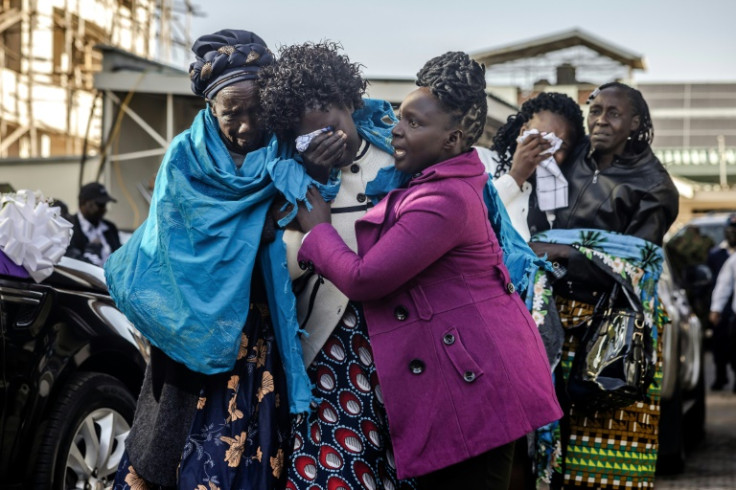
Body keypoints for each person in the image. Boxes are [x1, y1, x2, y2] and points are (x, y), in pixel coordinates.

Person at [293, 50, 562, 489]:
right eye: (400, 117)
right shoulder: (430, 183)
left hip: (481, 393)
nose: (395, 130)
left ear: (453, 140)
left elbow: (366, 278)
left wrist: (318, 230)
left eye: (414, 124)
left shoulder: (445, 201)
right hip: (466, 385)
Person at [107, 29, 312, 490]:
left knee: (241, 463)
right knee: (167, 459)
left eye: (255, 110)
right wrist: (257, 230)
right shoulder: (184, 157)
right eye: (230, 114)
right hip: (189, 335)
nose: (244, 125)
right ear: (210, 110)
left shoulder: (287, 152)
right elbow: (172, 249)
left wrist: (270, 230)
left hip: (256, 338)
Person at [257, 41, 418, 490]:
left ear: (350, 101)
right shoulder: (288, 180)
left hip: (401, 347)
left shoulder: (399, 165)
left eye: (332, 124)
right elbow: (277, 269)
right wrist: (313, 196)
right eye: (309, 138)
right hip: (330, 354)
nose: (328, 143)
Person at [526, 81, 679, 489]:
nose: (601, 120)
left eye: (614, 113)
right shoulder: (570, 159)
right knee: (556, 456)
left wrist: (563, 253)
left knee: (608, 466)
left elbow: (635, 266)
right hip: (557, 325)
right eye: (595, 111)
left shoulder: (655, 186)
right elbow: (537, 224)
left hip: (615, 331)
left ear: (635, 123)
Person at [476, 92, 585, 241]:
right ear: (523, 132)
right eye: (541, 140)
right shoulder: (480, 161)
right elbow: (465, 217)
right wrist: (516, 176)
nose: (547, 152)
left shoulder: (565, 190)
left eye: (560, 146)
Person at [708, 214, 736, 391]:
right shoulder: (723, 257)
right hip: (729, 313)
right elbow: (723, 284)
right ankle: (721, 377)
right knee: (721, 347)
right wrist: (716, 308)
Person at [66, 182, 121, 266]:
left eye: (105, 205)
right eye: (100, 205)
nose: (104, 209)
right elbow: (72, 263)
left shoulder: (110, 227)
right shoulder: (69, 228)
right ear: (83, 203)